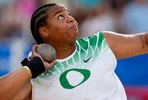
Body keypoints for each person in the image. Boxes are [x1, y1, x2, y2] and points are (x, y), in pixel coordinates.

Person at [13, 3, 148, 100]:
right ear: (44, 31)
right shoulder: (36, 75)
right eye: (60, 17)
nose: (71, 19)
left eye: (69, 14)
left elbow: (144, 41)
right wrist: (30, 69)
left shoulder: (99, 43)